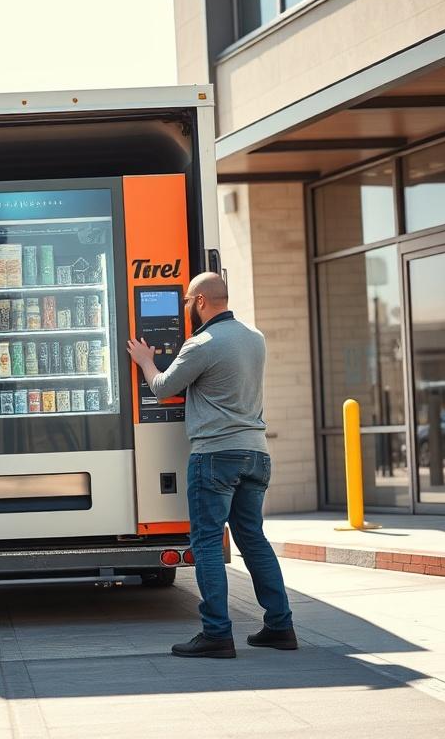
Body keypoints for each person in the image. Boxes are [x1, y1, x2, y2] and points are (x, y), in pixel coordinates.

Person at [126, 272, 295, 659]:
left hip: (216, 455)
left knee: (204, 543)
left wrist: (146, 361)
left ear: (200, 301)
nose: (185, 308)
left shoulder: (201, 343)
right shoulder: (255, 338)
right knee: (253, 539)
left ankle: (217, 633)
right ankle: (280, 625)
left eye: (187, 301)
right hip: (256, 452)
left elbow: (164, 386)